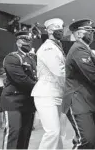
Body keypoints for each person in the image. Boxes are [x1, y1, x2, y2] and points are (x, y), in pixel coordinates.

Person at [62, 19, 95, 149]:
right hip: (78, 101)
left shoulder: (85, 49)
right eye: (89, 31)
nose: (92, 33)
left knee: (93, 141)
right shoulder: (78, 49)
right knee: (86, 140)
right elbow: (91, 74)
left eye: (92, 31)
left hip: (89, 101)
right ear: (79, 34)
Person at [31, 18, 66, 149]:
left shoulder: (56, 47)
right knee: (52, 132)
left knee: (58, 133)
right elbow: (59, 72)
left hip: (56, 93)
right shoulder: (48, 48)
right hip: (47, 93)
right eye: (57, 30)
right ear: (49, 30)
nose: (60, 32)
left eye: (61, 30)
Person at [1, 31, 37, 149]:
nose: (27, 43)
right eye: (24, 41)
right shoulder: (12, 58)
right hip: (13, 101)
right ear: (18, 42)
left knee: (25, 134)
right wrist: (39, 87)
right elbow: (21, 79)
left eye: (29, 41)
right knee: (13, 132)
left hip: (28, 102)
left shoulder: (32, 58)